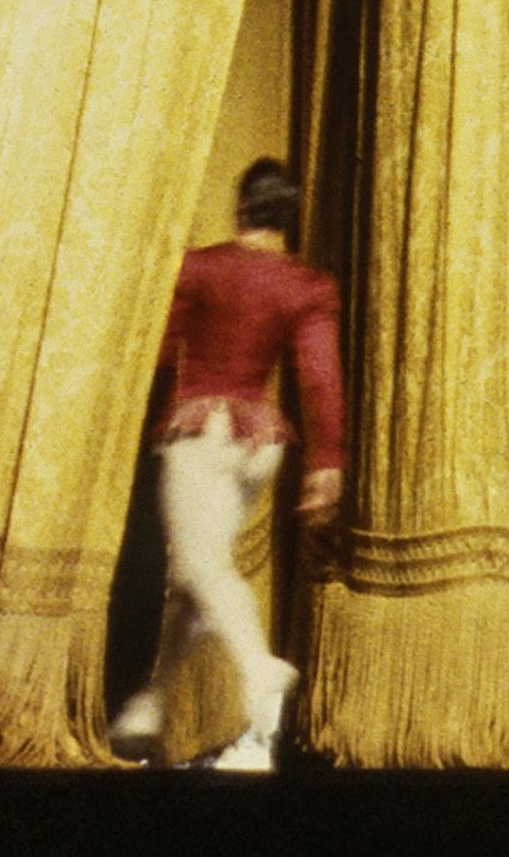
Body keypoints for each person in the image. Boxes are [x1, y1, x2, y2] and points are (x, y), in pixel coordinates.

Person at [109, 155, 342, 770]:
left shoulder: (200, 268)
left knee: (195, 565)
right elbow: (319, 377)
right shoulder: (304, 285)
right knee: (197, 580)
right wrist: (327, 459)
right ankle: (150, 709)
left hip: (201, 433)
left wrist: (148, 427)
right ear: (289, 215)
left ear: (241, 204)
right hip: (259, 444)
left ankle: (257, 666)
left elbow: (162, 356)